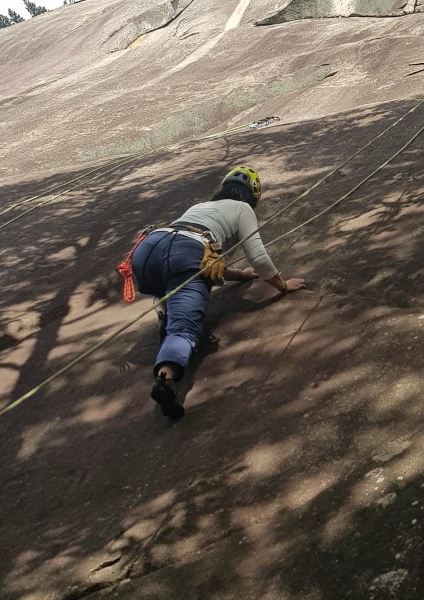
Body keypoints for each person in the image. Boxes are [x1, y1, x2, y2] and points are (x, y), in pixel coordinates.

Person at [130, 164, 307, 419]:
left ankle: (164, 313)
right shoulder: (243, 208)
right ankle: (165, 378)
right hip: (186, 254)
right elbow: (256, 255)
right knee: (185, 328)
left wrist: (241, 275)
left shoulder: (200, 207)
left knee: (170, 284)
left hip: (148, 251)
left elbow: (204, 261)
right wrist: (283, 285)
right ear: (252, 196)